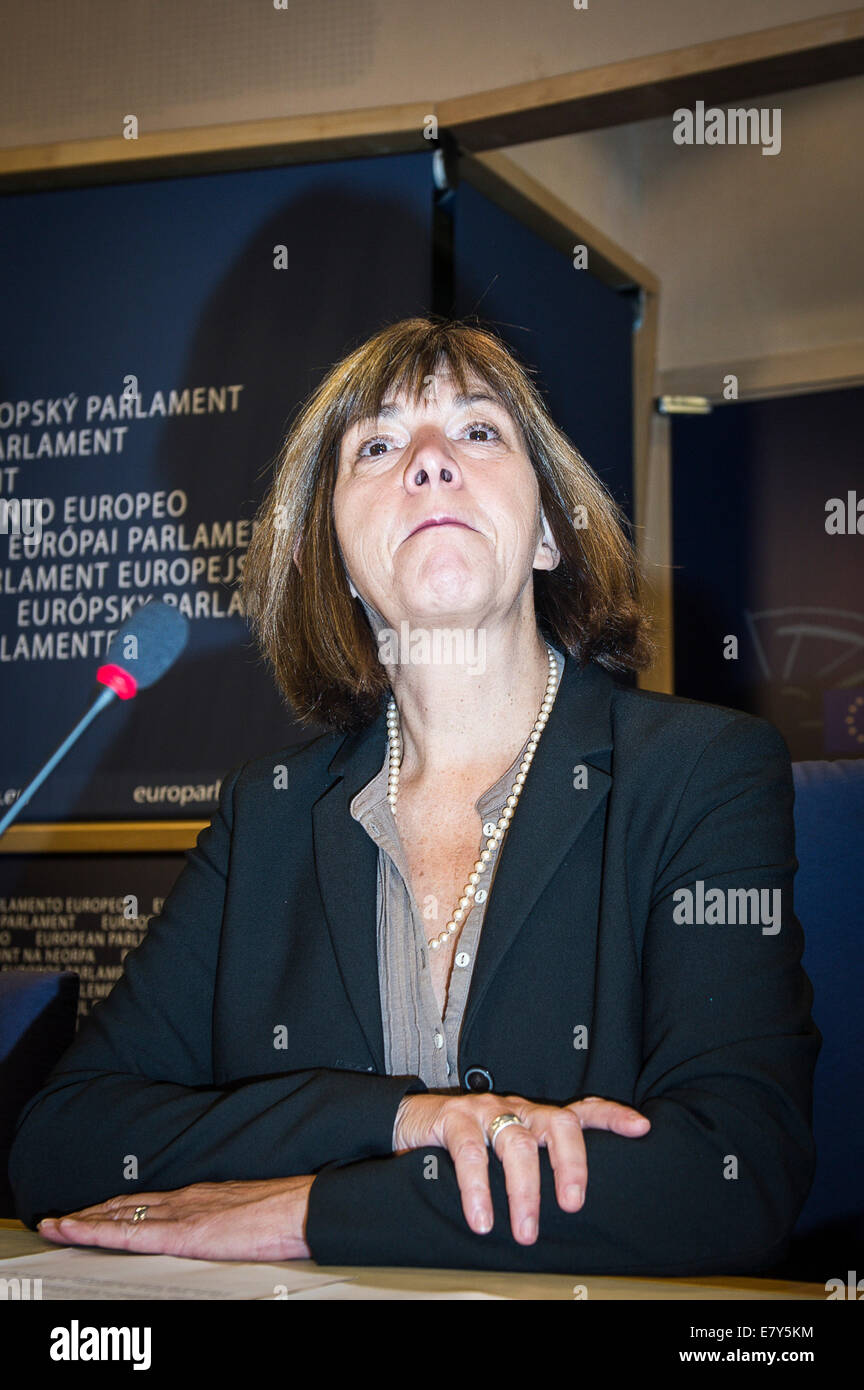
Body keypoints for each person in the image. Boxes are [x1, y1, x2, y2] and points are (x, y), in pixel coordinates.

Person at [10, 317, 820, 1274]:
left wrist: (313, 1209)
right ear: (330, 561)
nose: (431, 463)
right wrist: (404, 1122)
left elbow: (732, 1171)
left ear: (552, 533)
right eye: (380, 446)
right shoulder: (264, 815)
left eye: (479, 432)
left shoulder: (702, 773)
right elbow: (61, 1144)